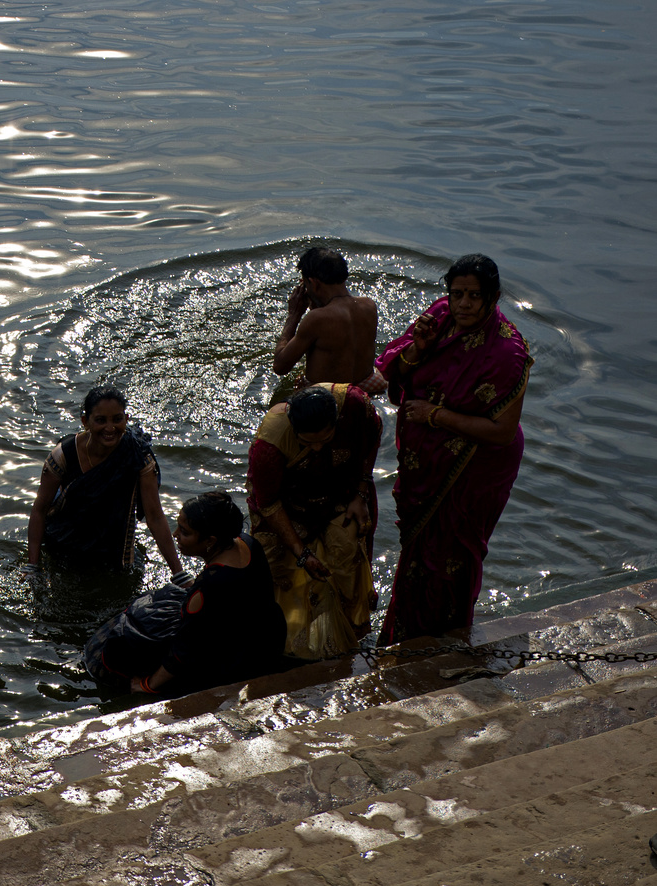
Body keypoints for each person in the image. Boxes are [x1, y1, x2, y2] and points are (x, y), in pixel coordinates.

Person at [373, 254, 530, 643]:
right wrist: (418, 349)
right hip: (425, 462)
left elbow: (502, 432)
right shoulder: (440, 318)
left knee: (452, 555)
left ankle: (448, 632)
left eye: (473, 296)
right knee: (418, 552)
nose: (463, 304)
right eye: (456, 293)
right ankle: (405, 632)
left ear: (492, 297)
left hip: (475, 468)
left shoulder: (507, 352)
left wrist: (435, 416)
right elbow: (396, 372)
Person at [86, 492, 286, 695]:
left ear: (210, 540)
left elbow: (183, 653)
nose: (174, 535)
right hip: (270, 638)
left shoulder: (211, 584)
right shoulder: (248, 543)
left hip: (241, 659)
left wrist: (147, 684)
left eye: (184, 532)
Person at [247, 383, 382, 658]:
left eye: (326, 437)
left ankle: (351, 632)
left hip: (339, 488)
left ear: (337, 422)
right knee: (280, 569)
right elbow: (268, 503)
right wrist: (301, 553)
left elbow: (372, 437)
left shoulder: (355, 407)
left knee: (346, 548)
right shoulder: (270, 445)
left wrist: (361, 492)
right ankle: (287, 645)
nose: (318, 447)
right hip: (286, 502)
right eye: (308, 443)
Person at [26, 386, 186, 579]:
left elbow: (155, 516)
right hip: (64, 539)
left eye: (117, 419)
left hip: (113, 545)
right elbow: (40, 509)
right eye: (101, 420)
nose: (110, 428)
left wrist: (179, 574)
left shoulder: (138, 457)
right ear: (86, 422)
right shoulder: (64, 455)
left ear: (126, 420)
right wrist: (32, 566)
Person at [273, 247, 380, 387]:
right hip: (364, 394)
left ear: (314, 283)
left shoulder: (316, 319)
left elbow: (280, 366)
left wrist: (293, 316)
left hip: (328, 399)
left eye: (305, 284)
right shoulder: (369, 306)